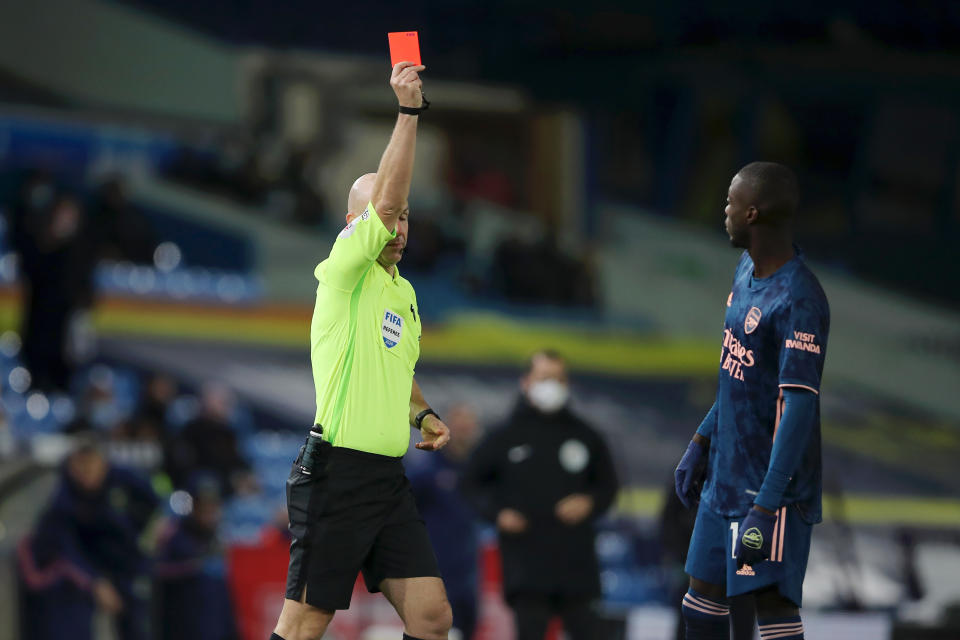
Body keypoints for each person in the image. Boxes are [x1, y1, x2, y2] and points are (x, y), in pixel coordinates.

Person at [269, 61, 454, 640]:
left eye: (406, 219)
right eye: (389, 217)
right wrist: (407, 113)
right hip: (336, 475)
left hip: (386, 478)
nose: (399, 226)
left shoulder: (404, 293)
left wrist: (421, 413)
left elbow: (400, 374)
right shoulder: (344, 271)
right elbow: (389, 196)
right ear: (355, 225)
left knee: (431, 618)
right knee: (303, 625)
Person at [673, 162, 830, 640]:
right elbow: (736, 375)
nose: (724, 210)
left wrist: (767, 503)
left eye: (730, 202)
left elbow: (798, 407)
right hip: (724, 478)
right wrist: (702, 439)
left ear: (753, 213)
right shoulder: (746, 270)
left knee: (772, 610)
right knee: (700, 603)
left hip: (770, 493)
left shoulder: (800, 298)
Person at [461, 350, 619, 640]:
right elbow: (470, 484)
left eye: (559, 379)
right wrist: (498, 513)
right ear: (526, 382)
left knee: (590, 631)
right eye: (545, 378)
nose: (552, 386)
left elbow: (608, 487)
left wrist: (590, 502)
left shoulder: (586, 435)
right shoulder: (504, 435)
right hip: (526, 562)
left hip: (576, 560)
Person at [18, 437, 159, 640]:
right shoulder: (63, 498)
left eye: (92, 465)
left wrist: (146, 543)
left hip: (127, 566)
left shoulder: (124, 481)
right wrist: (95, 582)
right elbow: (64, 547)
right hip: (88, 570)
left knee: (138, 625)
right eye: (80, 466)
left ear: (104, 464)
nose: (86, 474)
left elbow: (156, 507)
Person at [409, 403, 483, 640]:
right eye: (459, 427)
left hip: (468, 572)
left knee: (466, 630)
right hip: (434, 572)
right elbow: (405, 508)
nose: (464, 433)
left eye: (468, 427)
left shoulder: (478, 472)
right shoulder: (428, 471)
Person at [155, 476, 239, 640]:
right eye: (203, 505)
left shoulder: (218, 536)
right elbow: (157, 571)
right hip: (184, 625)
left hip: (216, 626)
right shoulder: (175, 534)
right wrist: (192, 568)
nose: (209, 510)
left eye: (213, 504)